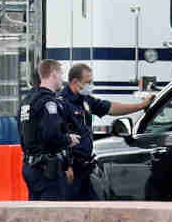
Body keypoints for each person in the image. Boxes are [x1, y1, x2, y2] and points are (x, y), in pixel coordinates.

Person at [59, 62, 154, 200]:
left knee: (94, 208)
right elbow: (57, 137)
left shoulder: (84, 99)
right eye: (88, 82)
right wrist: (66, 165)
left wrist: (141, 106)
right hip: (72, 169)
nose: (90, 85)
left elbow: (111, 108)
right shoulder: (62, 103)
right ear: (75, 81)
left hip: (86, 168)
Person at [18, 59, 79, 200]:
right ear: (53, 74)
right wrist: (69, 139)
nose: (62, 79)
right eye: (61, 74)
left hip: (30, 165)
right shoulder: (48, 102)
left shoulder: (27, 100)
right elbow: (51, 135)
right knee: (51, 216)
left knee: (35, 213)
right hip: (46, 169)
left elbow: (22, 132)